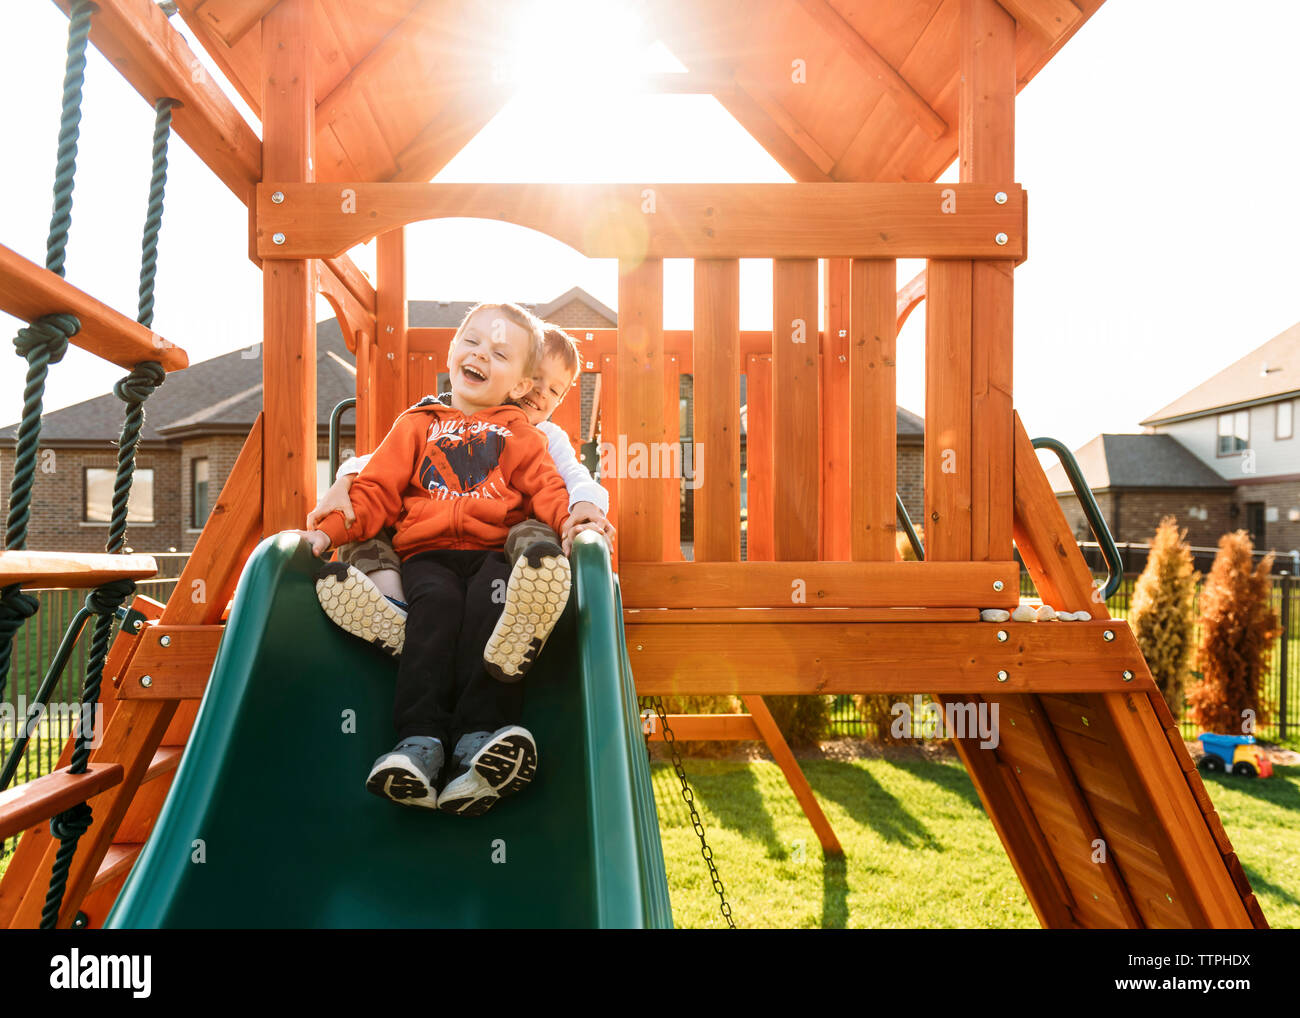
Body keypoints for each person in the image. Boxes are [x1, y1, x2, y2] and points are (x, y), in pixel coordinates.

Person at [293, 303, 595, 816]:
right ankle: (419, 743)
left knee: (491, 616)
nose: (481, 354)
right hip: (427, 554)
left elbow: (547, 487)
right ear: (453, 351)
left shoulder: (520, 433)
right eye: (472, 342)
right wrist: (326, 533)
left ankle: (480, 736)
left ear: (521, 384)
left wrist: (573, 522)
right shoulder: (416, 425)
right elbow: (376, 492)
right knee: (433, 617)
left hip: (490, 551)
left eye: (500, 353)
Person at [308, 326, 615, 675]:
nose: (539, 392)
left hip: (498, 548)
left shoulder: (545, 435)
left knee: (533, 531)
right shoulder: (444, 418)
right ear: (514, 378)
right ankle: (394, 608)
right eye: (534, 378)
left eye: (554, 390)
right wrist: (344, 480)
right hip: (427, 548)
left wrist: (585, 508)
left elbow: (574, 478)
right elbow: (383, 463)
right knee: (368, 524)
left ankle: (529, 600)